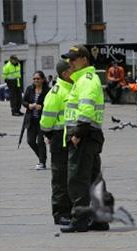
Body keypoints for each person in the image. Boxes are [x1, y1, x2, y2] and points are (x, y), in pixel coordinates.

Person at [60, 45, 106, 233]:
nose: (70, 62)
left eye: (74, 59)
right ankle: (100, 219)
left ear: (85, 59)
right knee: (94, 179)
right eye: (68, 59)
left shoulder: (86, 80)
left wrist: (78, 133)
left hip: (84, 135)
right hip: (91, 135)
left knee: (77, 179)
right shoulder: (85, 79)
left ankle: (79, 219)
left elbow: (86, 109)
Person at [39, 60, 73, 226]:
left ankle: (72, 210)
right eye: (72, 69)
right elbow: (46, 121)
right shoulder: (56, 92)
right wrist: (50, 134)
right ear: (65, 73)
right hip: (59, 138)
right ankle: (60, 213)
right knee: (60, 178)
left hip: (71, 138)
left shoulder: (73, 88)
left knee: (72, 176)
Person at [22, 71, 50, 170]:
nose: (36, 80)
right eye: (34, 79)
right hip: (31, 120)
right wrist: (29, 105)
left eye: (38, 79)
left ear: (42, 79)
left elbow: (50, 104)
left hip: (42, 120)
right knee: (30, 141)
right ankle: (42, 158)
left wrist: (41, 107)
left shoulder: (48, 90)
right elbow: (24, 101)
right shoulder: (30, 89)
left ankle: (42, 162)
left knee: (41, 141)